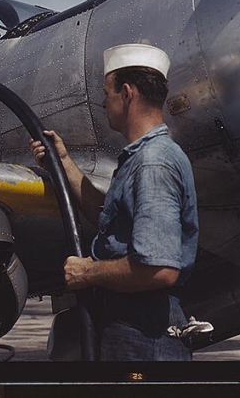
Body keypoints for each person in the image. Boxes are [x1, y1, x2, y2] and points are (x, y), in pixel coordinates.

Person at [29, 43, 199, 361]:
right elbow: (110, 219)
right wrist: (63, 162)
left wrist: (88, 273)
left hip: (140, 335)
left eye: (107, 92)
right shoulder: (145, 156)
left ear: (127, 92)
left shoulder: (152, 163)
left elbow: (159, 270)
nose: (104, 102)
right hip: (132, 325)